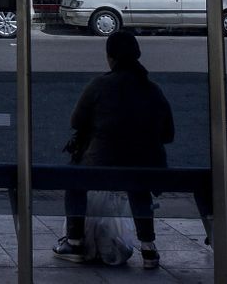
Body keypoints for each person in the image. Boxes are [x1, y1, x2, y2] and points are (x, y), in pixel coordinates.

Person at [54, 30, 174, 269]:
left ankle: (75, 241)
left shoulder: (100, 84)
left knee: (74, 180)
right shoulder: (153, 89)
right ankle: (149, 248)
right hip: (147, 167)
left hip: (101, 165)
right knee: (139, 187)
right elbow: (169, 134)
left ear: (111, 57)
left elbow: (76, 122)